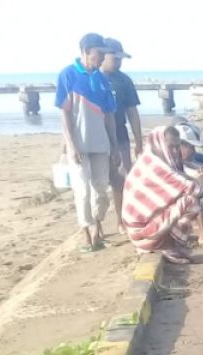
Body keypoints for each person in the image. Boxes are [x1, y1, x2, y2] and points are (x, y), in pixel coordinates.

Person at [55, 33, 118, 252]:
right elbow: (64, 114)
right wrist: (70, 146)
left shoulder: (102, 80)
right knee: (82, 190)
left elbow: (109, 114)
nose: (101, 59)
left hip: (101, 143)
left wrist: (115, 146)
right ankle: (86, 234)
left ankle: (98, 226)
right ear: (86, 52)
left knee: (101, 188)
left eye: (103, 55)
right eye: (99, 54)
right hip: (79, 145)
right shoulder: (67, 75)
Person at [122, 126, 203, 264]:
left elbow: (182, 180)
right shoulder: (154, 165)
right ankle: (167, 245)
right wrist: (200, 180)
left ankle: (169, 241)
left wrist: (197, 180)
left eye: (177, 146)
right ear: (159, 143)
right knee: (191, 201)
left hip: (143, 229)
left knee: (186, 197)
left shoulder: (153, 159)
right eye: (171, 147)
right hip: (141, 234)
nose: (175, 151)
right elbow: (195, 189)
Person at [100, 38, 142, 234]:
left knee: (123, 178)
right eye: (114, 58)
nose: (118, 62)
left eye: (120, 59)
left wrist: (139, 141)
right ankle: (96, 225)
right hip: (96, 137)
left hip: (120, 134)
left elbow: (132, 112)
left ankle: (122, 219)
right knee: (98, 181)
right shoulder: (91, 78)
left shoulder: (123, 80)